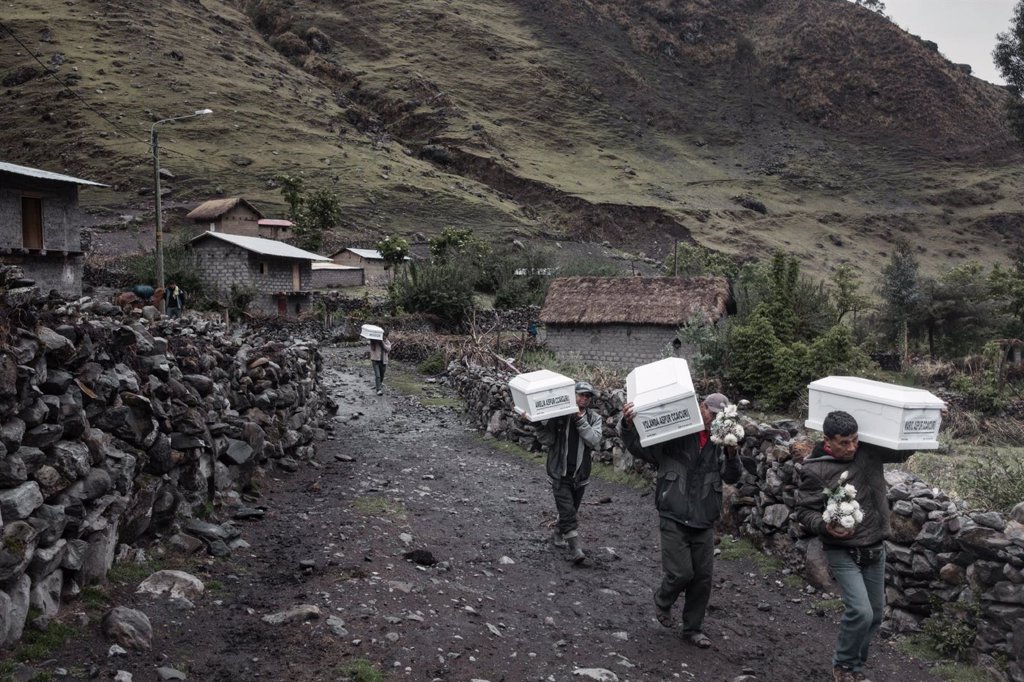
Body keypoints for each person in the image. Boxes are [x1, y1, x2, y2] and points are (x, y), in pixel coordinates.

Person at [795, 410, 914, 682]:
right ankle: (843, 666)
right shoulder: (815, 469)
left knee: (873, 617)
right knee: (860, 611)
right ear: (828, 440)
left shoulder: (868, 452)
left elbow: (902, 451)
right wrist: (826, 527)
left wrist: (927, 421)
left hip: (875, 548)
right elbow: (804, 512)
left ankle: (855, 670)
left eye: (855, 440)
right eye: (844, 442)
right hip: (842, 550)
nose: (851, 447)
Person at [618, 392, 742, 649]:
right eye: (711, 412)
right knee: (681, 572)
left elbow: (732, 477)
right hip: (673, 512)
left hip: (704, 517)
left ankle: (693, 628)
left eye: (720, 415)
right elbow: (641, 448)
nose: (713, 419)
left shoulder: (722, 442)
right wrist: (627, 425)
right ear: (700, 407)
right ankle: (663, 599)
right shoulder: (677, 430)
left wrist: (732, 453)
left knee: (702, 578)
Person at [535, 380, 602, 563]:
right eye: (581, 394)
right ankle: (576, 549)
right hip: (560, 473)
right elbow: (547, 440)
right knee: (568, 512)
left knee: (571, 510)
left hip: (580, 475)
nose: (584, 399)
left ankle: (557, 533)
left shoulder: (594, 419)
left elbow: (594, 440)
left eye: (588, 396)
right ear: (572, 396)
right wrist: (536, 424)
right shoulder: (560, 417)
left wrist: (580, 420)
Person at [369, 331, 392, 396]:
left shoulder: (387, 342)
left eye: (385, 336)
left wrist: (382, 343)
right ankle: (378, 389)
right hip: (375, 360)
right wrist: (372, 342)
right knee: (378, 375)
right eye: (383, 336)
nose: (383, 337)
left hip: (384, 361)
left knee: (382, 375)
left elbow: (388, 349)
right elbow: (372, 349)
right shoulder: (375, 340)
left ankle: (379, 384)